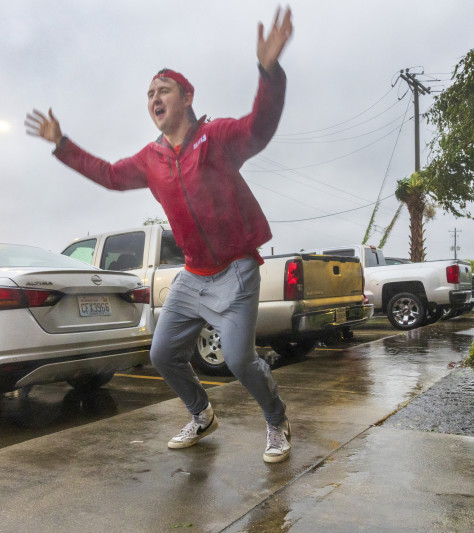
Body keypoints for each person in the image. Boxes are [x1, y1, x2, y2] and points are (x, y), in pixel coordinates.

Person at [25, 7, 294, 463]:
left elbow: (260, 127)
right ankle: (201, 414)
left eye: (163, 89)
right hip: (192, 275)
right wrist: (63, 144)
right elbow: (110, 175)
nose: (154, 97)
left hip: (236, 270)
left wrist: (269, 72)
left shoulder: (218, 137)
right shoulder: (150, 160)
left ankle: (276, 420)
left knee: (238, 360)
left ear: (187, 97)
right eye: (149, 93)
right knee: (162, 353)